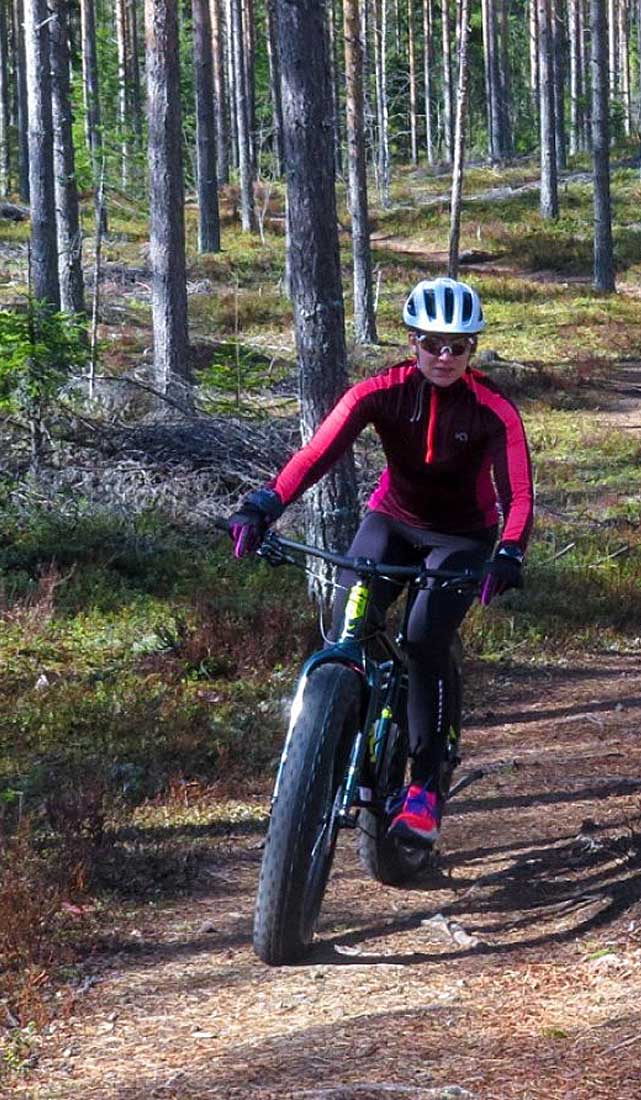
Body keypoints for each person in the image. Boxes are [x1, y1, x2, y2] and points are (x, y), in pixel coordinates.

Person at [225, 276, 534, 846]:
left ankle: (424, 786)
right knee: (348, 625)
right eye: (432, 344)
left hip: (461, 538)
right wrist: (265, 503)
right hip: (390, 522)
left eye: (458, 347)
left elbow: (517, 495)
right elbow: (318, 451)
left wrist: (508, 553)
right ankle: (341, 737)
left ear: (473, 349)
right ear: (412, 341)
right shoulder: (381, 390)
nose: (444, 357)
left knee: (422, 640)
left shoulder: (494, 409)